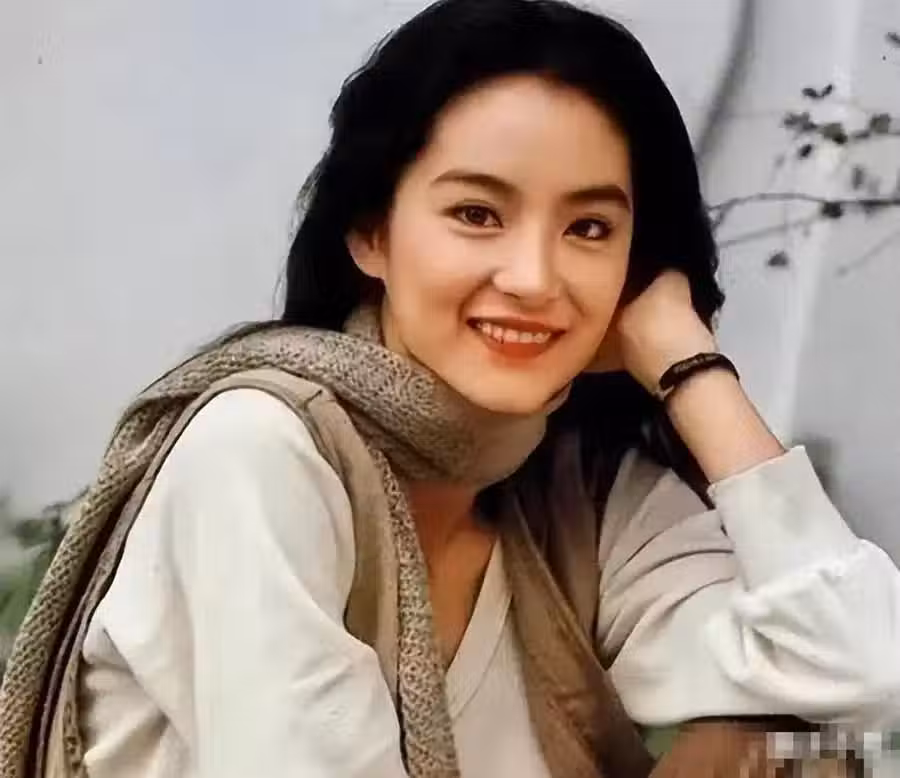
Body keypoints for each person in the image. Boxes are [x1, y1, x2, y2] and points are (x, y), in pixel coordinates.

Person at [3, 1, 898, 777]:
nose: (534, 278)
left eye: (589, 228)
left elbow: (867, 676)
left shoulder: (583, 499)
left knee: (790, 749)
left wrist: (688, 365)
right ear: (372, 234)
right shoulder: (259, 453)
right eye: (477, 214)